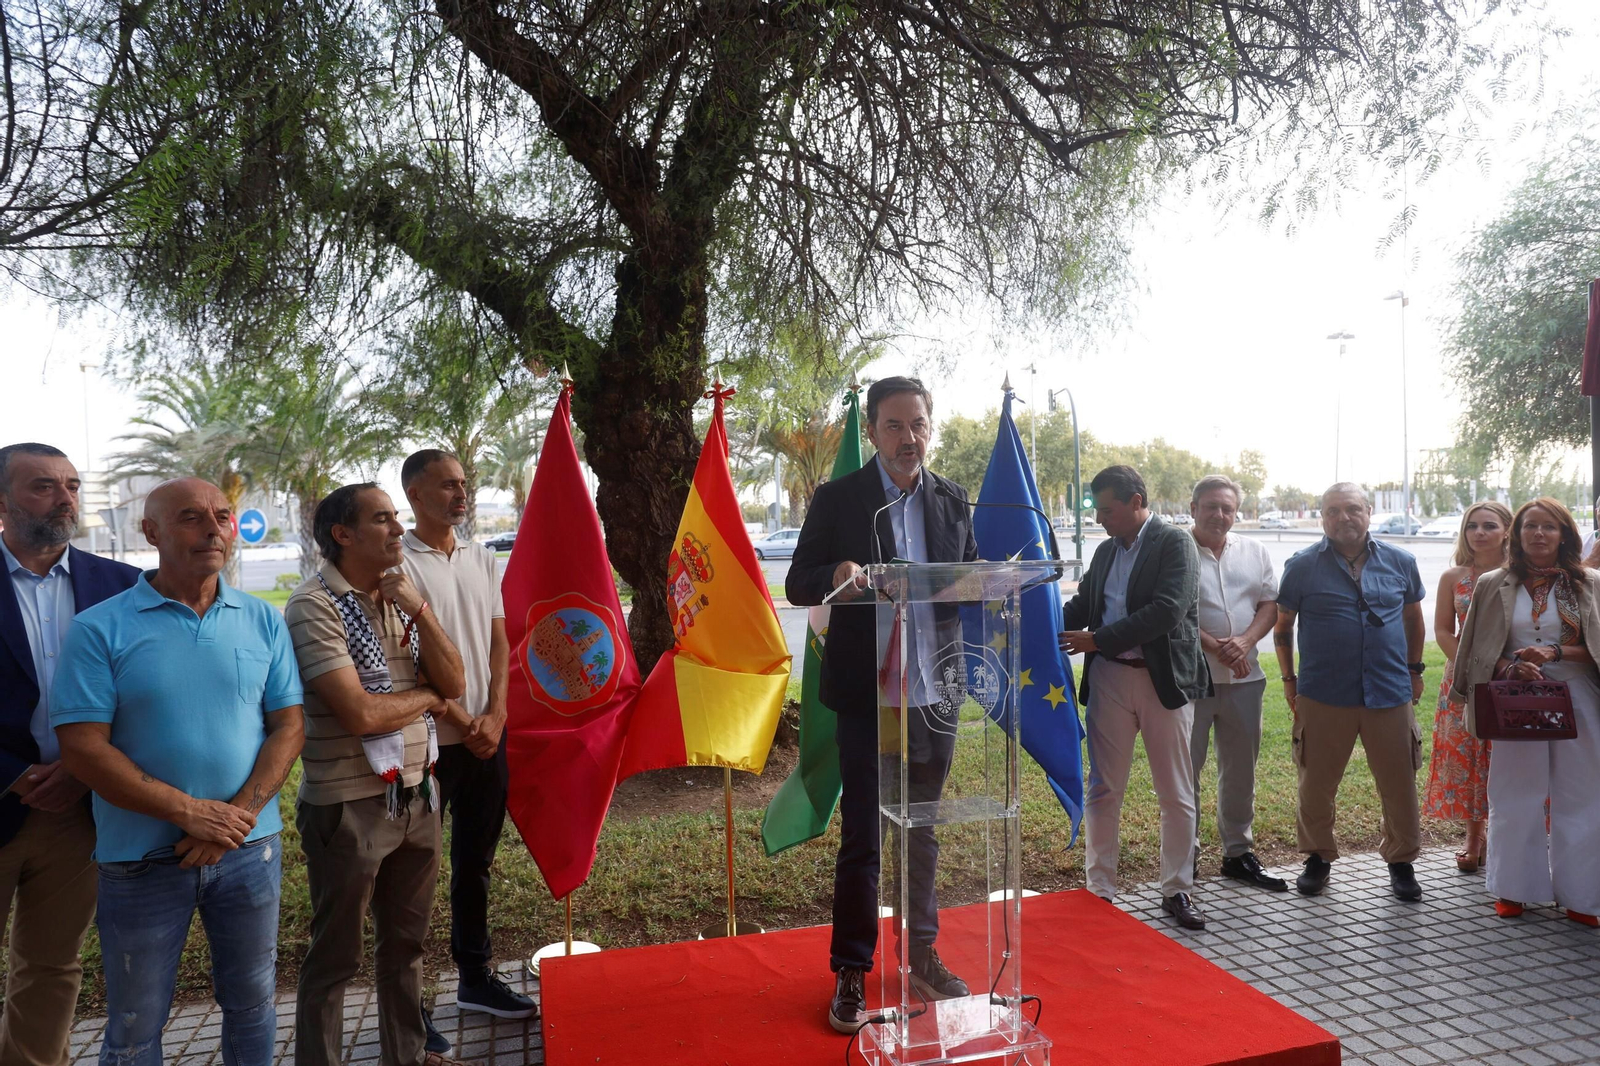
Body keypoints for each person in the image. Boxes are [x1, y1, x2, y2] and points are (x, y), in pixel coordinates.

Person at [51, 478, 305, 1066]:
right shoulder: (99, 628)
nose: (213, 529)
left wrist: (233, 819)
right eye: (191, 517)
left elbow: (288, 727)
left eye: (222, 516)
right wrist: (189, 813)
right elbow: (83, 749)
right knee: (136, 1023)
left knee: (253, 1003)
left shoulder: (262, 620)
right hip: (140, 862)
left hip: (248, 851)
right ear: (151, 532)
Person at [785, 376, 978, 1035]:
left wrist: (978, 585)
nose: (908, 437)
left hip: (934, 695)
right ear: (872, 432)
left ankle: (922, 955)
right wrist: (836, 576)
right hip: (870, 697)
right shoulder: (841, 499)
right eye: (894, 425)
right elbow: (797, 579)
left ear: (931, 427)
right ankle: (851, 970)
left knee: (922, 829)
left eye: (918, 424)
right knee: (865, 839)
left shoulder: (952, 499)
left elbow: (970, 578)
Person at [285, 483, 470, 1066]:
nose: (398, 529)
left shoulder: (398, 596)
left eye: (395, 518)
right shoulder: (314, 605)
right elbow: (361, 714)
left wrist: (419, 609)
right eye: (383, 520)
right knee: (337, 957)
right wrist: (428, 699)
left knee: (407, 947)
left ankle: (407, 1056)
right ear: (344, 535)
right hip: (349, 807)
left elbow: (456, 683)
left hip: (417, 794)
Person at [0, 443, 138, 1065]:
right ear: (1, 502)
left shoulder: (121, 586)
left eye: (73, 485)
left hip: (77, 815)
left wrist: (86, 772)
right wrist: (14, 775)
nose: (64, 499)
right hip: (3, 797)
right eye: (42, 486)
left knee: (53, 966)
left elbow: (143, 700)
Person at [400, 450, 534, 1053]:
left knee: (474, 865)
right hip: (429, 745)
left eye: (464, 484)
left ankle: (475, 979)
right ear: (414, 494)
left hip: (487, 738)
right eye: (447, 485)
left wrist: (496, 715)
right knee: (412, 879)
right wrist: (462, 718)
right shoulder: (397, 565)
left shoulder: (483, 556)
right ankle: (411, 1007)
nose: (461, 494)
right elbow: (401, 665)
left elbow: (501, 642)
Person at [1060, 465, 1211, 929]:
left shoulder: (1175, 543)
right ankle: (1099, 889)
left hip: (1161, 680)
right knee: (1104, 787)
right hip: (1109, 679)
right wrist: (1031, 616)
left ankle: (1177, 891)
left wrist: (1097, 639)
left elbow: (1167, 610)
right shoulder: (1105, 551)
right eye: (1097, 510)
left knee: (1176, 791)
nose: (1100, 519)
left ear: (1137, 501)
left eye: (1107, 510)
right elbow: (1082, 606)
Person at [1273, 482, 1427, 902]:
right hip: (1323, 693)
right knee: (1316, 783)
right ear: (1322, 517)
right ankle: (1317, 857)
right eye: (1334, 511)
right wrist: (1290, 682)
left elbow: (1414, 620)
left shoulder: (1401, 561)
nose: (1344, 518)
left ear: (1369, 511)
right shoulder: (1302, 566)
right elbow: (1282, 627)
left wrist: (1415, 671)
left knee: (1399, 782)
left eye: (1353, 509)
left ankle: (1401, 862)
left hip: (1389, 690)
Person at [1450, 497, 1600, 925]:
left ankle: (1583, 896)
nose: (1538, 534)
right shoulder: (1493, 582)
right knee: (1514, 793)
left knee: (1584, 795)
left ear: (1565, 535)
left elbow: (1598, 649)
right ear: (1516, 534)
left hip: (1580, 698)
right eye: (1530, 526)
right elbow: (1479, 648)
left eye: (1549, 527)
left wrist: (1554, 651)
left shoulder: (1590, 583)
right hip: (1516, 698)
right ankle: (1513, 888)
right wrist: (1512, 666)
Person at [1185, 474, 1284, 892]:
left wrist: (1244, 642)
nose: (1219, 515)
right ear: (1193, 509)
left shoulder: (1255, 550)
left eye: (1227, 508)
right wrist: (1217, 646)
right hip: (1190, 679)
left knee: (1240, 771)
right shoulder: (1176, 550)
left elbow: (1268, 603)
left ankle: (1238, 853)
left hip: (1246, 679)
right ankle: (1182, 854)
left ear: (1236, 512)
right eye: (1210, 506)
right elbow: (1171, 609)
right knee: (1185, 771)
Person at [1423, 502, 1510, 873]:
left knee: (1507, 757)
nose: (1479, 532)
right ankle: (1474, 838)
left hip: (1512, 677)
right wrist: (1471, 667)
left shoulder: (1520, 574)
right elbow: (1443, 629)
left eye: (1489, 525)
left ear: (1508, 530)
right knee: (1470, 756)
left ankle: (1509, 837)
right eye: (1472, 525)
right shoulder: (1453, 576)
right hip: (1462, 680)